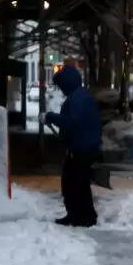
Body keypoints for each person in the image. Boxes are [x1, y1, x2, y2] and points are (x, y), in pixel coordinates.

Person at [45, 64, 102, 227]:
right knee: (74, 182)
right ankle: (78, 215)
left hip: (82, 149)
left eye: (61, 85)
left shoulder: (78, 99)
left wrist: (50, 117)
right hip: (82, 147)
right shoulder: (79, 96)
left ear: (67, 83)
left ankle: (84, 217)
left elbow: (72, 123)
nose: (61, 89)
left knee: (75, 183)